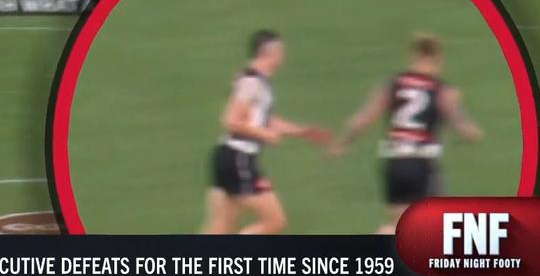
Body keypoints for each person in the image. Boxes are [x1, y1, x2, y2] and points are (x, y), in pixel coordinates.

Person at [327, 34, 483, 234]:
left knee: (397, 224)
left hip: (396, 162)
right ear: (437, 58)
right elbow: (462, 126)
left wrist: (342, 144)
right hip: (422, 164)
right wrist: (473, 133)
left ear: (414, 56)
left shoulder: (394, 83)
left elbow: (364, 118)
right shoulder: (442, 89)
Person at [201, 30, 332, 234]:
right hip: (240, 159)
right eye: (281, 50)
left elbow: (264, 120)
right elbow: (230, 120)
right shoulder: (251, 83)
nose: (283, 56)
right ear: (270, 52)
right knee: (275, 221)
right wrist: (264, 135)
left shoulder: (255, 81)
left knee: (220, 227)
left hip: (227, 155)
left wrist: (302, 131)